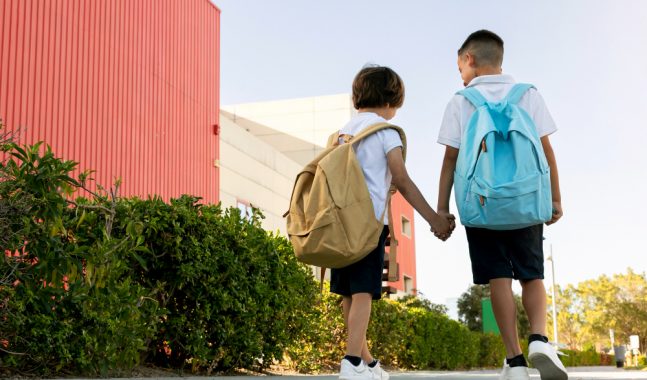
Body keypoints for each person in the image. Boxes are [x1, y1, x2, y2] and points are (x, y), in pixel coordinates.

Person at [436, 30, 567, 380]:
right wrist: (555, 198)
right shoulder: (528, 94)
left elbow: (450, 160)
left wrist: (442, 209)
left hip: (481, 206)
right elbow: (547, 152)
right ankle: (540, 338)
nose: (460, 75)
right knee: (532, 274)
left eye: (459, 66)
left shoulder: (461, 101)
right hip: (525, 201)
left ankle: (515, 360)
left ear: (469, 60)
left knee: (498, 277)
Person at [334, 64, 455, 380]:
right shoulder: (385, 132)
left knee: (348, 294)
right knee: (363, 294)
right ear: (393, 100)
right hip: (368, 223)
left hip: (338, 223)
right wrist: (434, 218)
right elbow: (401, 179)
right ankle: (351, 363)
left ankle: (368, 364)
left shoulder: (341, 134)